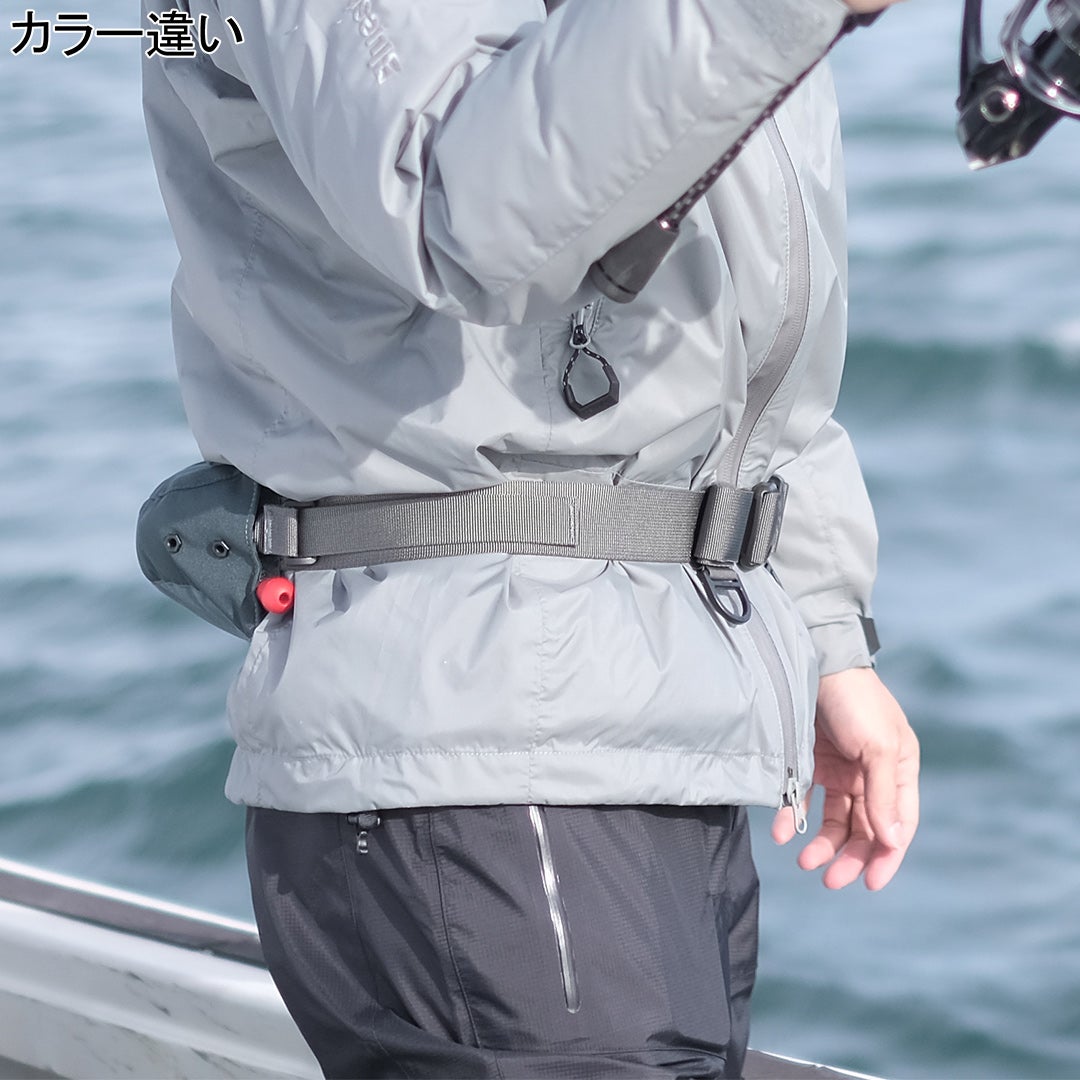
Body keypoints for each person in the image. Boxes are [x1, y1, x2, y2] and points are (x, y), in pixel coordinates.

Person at [141, 0, 919, 1075]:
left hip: (642, 732)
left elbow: (745, 344)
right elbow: (465, 203)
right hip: (475, 743)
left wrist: (820, 629)